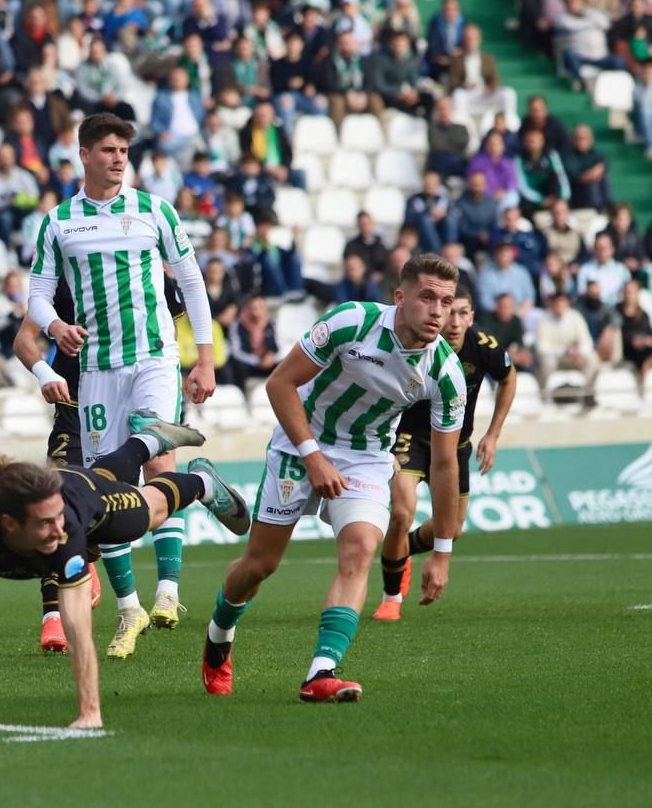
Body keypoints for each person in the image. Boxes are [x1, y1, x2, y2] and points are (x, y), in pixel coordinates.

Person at [200, 254, 467, 703]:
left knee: (362, 547)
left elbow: (444, 465)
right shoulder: (350, 322)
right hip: (299, 440)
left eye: (446, 301)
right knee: (260, 565)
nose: (438, 311)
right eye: (427, 298)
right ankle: (219, 633)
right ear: (400, 299)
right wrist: (312, 457)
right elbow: (279, 385)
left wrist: (442, 550)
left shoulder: (445, 372)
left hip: (365, 458)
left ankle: (321, 671)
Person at [0, 417, 245, 735]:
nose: (58, 530)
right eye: (44, 523)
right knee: (97, 474)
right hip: (80, 485)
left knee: (151, 511)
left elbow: (78, 629)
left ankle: (202, 482)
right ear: (9, 524)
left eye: (58, 519)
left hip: (91, 502)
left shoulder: (65, 530)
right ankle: (148, 439)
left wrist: (90, 712)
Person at [28, 112, 217, 658]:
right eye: (107, 149)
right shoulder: (60, 222)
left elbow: (192, 283)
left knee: (157, 458)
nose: (117, 158)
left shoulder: (154, 210)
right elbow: (37, 295)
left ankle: (168, 591)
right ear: (83, 153)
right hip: (97, 371)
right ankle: (129, 608)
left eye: (123, 151)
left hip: (156, 358)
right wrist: (55, 325)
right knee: (101, 491)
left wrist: (203, 360)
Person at [373, 286, 516, 621]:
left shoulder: (484, 347)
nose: (454, 321)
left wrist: (492, 434)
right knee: (401, 512)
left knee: (451, 529)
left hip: (455, 445)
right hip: (410, 437)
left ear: (472, 317)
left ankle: (401, 549)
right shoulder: (419, 344)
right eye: (450, 312)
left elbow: (508, 379)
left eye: (463, 313)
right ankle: (391, 597)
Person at [619, 280, 652, 386]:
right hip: (627, 350)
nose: (630, 295)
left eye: (632, 292)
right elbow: (621, 336)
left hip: (644, 351)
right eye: (628, 291)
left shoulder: (643, 314)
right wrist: (634, 340)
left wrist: (645, 341)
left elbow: (648, 334)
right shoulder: (617, 311)